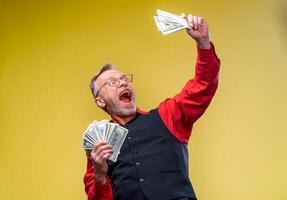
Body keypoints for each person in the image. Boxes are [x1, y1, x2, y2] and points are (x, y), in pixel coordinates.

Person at [83, 13, 220, 200]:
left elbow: (203, 86)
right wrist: (99, 175)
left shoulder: (167, 115)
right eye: (113, 82)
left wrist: (203, 43)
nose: (123, 83)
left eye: (125, 79)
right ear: (100, 101)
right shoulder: (99, 147)